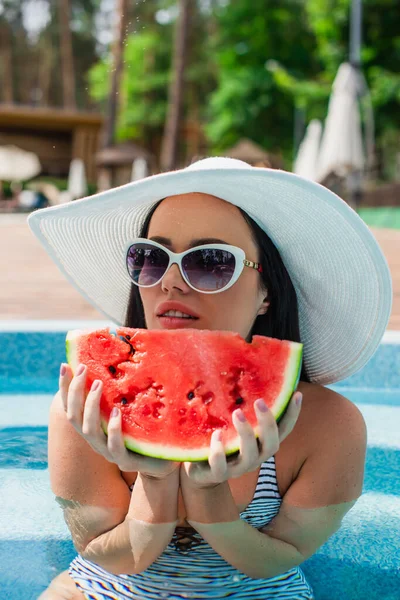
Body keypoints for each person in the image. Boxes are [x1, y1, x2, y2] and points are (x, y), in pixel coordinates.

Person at [28, 157, 392, 600]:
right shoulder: (83, 405)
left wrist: (209, 495)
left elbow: (280, 556)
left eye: (211, 262)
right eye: (151, 258)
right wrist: (156, 481)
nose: (171, 282)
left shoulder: (329, 425)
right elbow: (107, 556)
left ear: (266, 294)